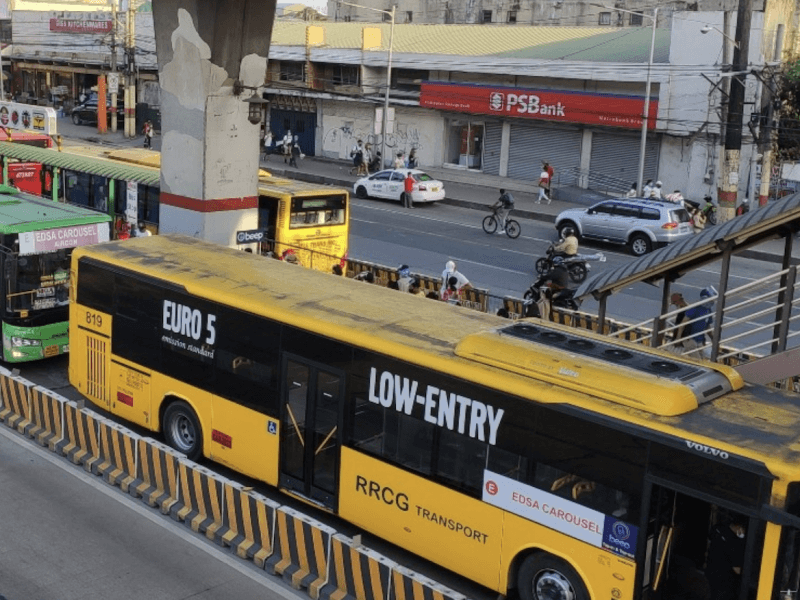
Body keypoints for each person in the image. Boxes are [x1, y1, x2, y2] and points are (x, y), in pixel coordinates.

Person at [705, 519, 746, 600]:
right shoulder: (734, 543)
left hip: (711, 570)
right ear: (739, 528)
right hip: (723, 579)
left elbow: (709, 543)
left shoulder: (719, 527)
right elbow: (737, 569)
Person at [682, 287, 716, 358]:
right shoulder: (694, 308)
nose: (712, 302)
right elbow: (683, 323)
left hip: (699, 340)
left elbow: (707, 326)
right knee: (697, 359)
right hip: (690, 339)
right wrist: (678, 338)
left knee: (702, 358)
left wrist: (712, 338)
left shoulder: (708, 310)